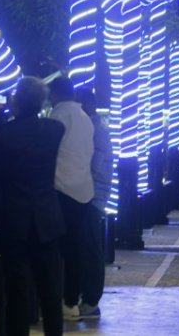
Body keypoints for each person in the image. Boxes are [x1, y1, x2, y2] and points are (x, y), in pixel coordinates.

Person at [0, 77, 66, 336]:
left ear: (17, 102)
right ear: (41, 101)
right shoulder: (54, 130)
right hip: (47, 219)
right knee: (50, 291)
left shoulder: (3, 135)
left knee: (16, 292)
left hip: (13, 221)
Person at [47, 76, 100, 322]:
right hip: (84, 191)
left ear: (55, 94)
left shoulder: (58, 117)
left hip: (60, 190)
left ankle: (57, 299)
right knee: (77, 249)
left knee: (55, 249)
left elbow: (48, 155)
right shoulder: (85, 119)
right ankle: (71, 302)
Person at [79, 87, 112, 314]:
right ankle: (89, 298)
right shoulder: (94, 128)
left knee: (91, 247)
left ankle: (91, 300)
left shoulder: (94, 129)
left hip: (92, 195)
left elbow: (95, 165)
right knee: (89, 247)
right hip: (92, 194)